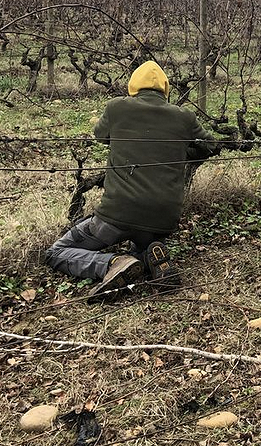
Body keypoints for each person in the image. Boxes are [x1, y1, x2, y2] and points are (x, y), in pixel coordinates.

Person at [45, 60, 222, 302]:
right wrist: (179, 154)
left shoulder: (117, 108)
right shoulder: (184, 116)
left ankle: (113, 264)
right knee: (143, 241)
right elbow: (210, 146)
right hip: (163, 218)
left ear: (132, 86)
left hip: (118, 213)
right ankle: (150, 255)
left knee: (56, 252)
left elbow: (100, 137)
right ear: (166, 89)